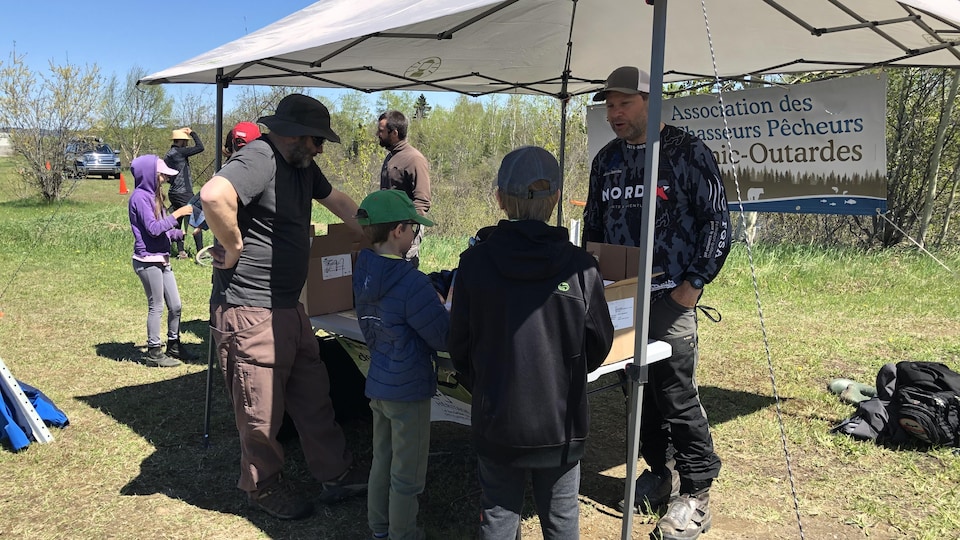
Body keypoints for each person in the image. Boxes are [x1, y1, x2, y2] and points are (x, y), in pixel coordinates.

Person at [199, 94, 368, 520]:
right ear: (291, 132)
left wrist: (374, 236)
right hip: (249, 310)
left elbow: (341, 202)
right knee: (260, 411)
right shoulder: (260, 156)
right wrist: (233, 245)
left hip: (289, 308)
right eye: (316, 139)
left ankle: (336, 472)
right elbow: (214, 194)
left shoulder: (303, 166)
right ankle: (263, 486)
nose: (319, 148)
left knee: (313, 394)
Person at [583, 66, 731, 540]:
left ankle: (696, 493)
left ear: (651, 101)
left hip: (671, 298)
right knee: (635, 388)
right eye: (609, 105)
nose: (614, 114)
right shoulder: (606, 159)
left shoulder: (687, 153)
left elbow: (718, 223)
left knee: (674, 391)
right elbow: (594, 229)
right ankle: (657, 469)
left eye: (624, 104)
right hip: (621, 298)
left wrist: (693, 286)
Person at [449, 146, 615, 540]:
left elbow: (459, 346)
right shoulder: (582, 266)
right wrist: (565, 377)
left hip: (497, 419)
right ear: (556, 197)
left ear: (499, 199)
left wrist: (488, 386)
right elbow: (600, 343)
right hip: (561, 423)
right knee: (561, 522)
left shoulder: (473, 264)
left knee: (499, 517)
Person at [352, 189, 449, 540]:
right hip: (408, 389)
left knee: (383, 460)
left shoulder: (364, 269)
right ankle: (403, 533)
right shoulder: (411, 282)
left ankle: (379, 528)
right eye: (412, 227)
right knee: (408, 474)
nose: (415, 234)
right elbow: (442, 336)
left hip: (379, 379)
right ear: (397, 230)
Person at [128, 155, 198, 367]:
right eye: (161, 175)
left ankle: (174, 344)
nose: (164, 179)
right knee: (156, 306)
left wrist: (180, 234)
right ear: (148, 175)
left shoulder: (155, 196)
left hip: (162, 258)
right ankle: (153, 352)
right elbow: (153, 229)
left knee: (175, 305)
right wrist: (177, 214)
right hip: (147, 260)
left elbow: (162, 231)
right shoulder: (139, 198)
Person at [376, 110, 431, 268]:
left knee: (406, 275)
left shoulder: (414, 159)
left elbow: (422, 202)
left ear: (394, 133)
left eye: (381, 131)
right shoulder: (391, 156)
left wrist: (405, 227)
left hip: (404, 232)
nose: (377, 134)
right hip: (388, 230)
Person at [164, 127, 205, 259]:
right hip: (184, 193)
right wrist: (193, 133)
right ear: (182, 141)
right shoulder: (180, 152)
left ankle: (181, 252)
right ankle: (201, 253)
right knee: (198, 220)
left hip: (173, 192)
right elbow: (200, 147)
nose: (187, 143)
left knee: (177, 221)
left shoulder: (169, 154)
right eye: (185, 141)